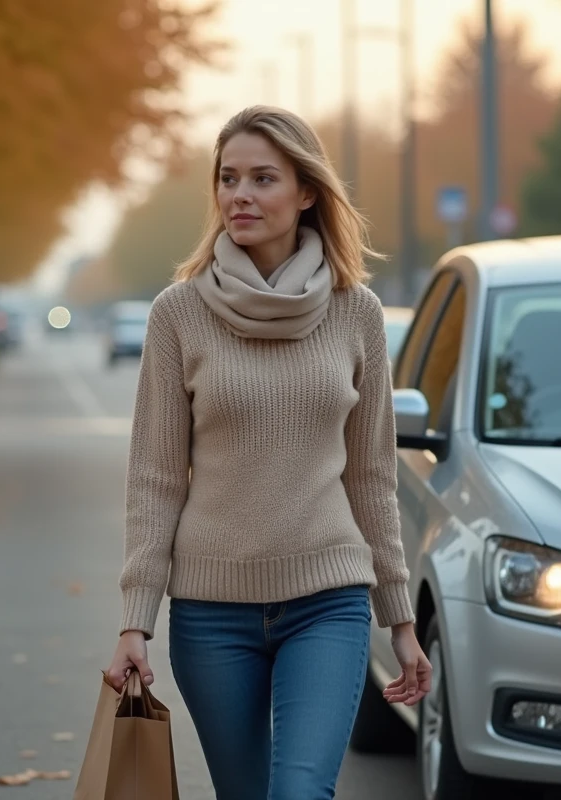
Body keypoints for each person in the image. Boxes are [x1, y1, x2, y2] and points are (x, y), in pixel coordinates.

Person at [106, 105, 432, 800]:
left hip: (328, 601)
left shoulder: (357, 314)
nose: (240, 195)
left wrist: (399, 620)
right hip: (211, 611)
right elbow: (156, 479)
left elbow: (372, 478)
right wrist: (137, 620)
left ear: (306, 191)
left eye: (262, 178)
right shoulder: (178, 314)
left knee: (300, 792)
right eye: (228, 179)